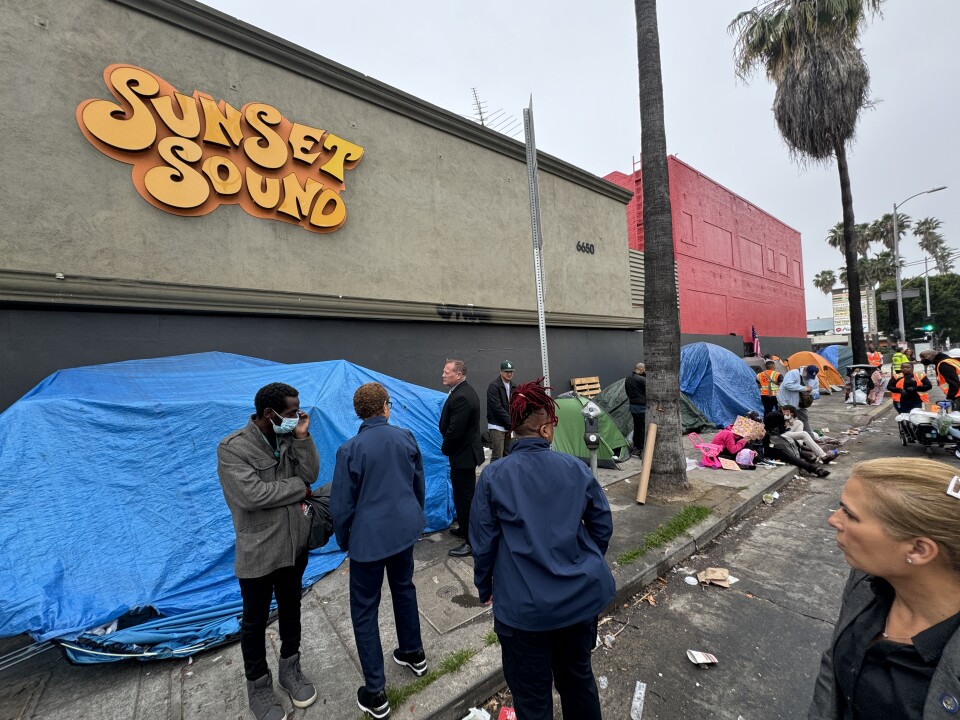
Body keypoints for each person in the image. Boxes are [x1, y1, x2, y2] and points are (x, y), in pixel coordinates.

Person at [471, 379, 615, 720]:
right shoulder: (575, 469)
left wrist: (484, 587)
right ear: (547, 429)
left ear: (515, 430)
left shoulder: (494, 477)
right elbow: (602, 525)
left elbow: (483, 543)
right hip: (579, 602)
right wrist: (583, 560)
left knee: (532, 699)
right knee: (578, 682)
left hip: (523, 612)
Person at [808, 458, 960, 720]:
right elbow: (832, 669)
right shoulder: (868, 583)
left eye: (850, 514)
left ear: (918, 549)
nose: (833, 520)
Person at [217, 382, 319, 720]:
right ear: (268, 414)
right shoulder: (233, 448)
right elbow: (252, 495)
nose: (295, 418)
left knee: (291, 609)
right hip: (258, 548)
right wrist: (298, 489)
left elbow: (312, 474)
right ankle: (259, 687)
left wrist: (303, 437)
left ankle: (291, 669)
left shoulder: (290, 438)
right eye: (291, 413)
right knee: (254, 620)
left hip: (293, 544)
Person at [332, 383, 427, 719]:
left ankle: (376, 692)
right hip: (404, 533)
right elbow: (418, 485)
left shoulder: (350, 450)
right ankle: (415, 653)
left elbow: (341, 507)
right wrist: (415, 518)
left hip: (368, 543)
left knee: (364, 611)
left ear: (361, 412)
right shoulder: (406, 437)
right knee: (404, 589)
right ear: (386, 406)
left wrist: (345, 541)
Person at [439, 358, 483, 557]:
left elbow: (455, 431)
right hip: (462, 455)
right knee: (461, 496)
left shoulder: (462, 396)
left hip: (463, 456)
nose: (443, 374)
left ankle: (472, 542)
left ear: (458, 374)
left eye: (447, 371)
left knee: (465, 499)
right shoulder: (460, 392)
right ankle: (465, 529)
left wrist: (445, 449)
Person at [762, 410, 830, 478]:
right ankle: (815, 468)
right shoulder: (772, 423)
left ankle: (807, 455)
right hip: (771, 446)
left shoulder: (777, 417)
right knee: (786, 453)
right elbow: (779, 431)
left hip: (776, 440)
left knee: (799, 425)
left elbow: (781, 429)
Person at [486, 360, 515, 461]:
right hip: (497, 426)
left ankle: (506, 476)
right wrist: (511, 422)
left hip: (509, 426)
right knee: (497, 455)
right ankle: (492, 477)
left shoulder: (514, 386)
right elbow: (497, 408)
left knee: (509, 455)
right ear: (500, 372)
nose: (509, 374)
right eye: (506, 371)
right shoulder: (493, 386)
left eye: (511, 371)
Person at [778, 364, 820, 434]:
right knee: (786, 420)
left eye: (811, 377)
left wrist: (810, 392)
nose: (808, 378)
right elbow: (787, 384)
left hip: (801, 402)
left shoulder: (814, 377)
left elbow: (816, 388)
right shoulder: (793, 373)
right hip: (787, 402)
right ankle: (784, 436)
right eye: (808, 375)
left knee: (804, 418)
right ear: (805, 370)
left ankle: (810, 436)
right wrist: (804, 388)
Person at [624, 362, 647, 456]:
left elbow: (627, 392)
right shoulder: (642, 379)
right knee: (642, 428)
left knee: (636, 427)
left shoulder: (628, 379)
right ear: (641, 369)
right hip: (642, 407)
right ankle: (641, 448)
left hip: (633, 406)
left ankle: (636, 447)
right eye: (645, 369)